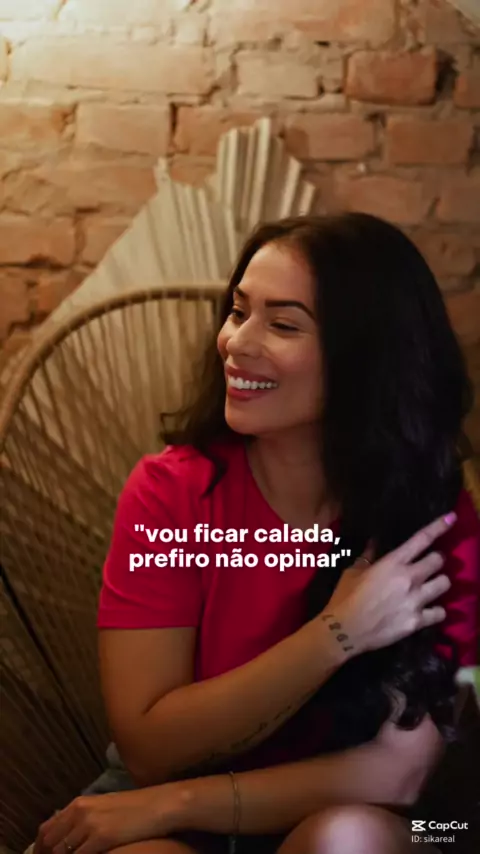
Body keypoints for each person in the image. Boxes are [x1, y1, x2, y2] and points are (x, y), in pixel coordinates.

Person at [34, 214, 480, 854]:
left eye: (284, 324)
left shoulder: (436, 516)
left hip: (388, 817)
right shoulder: (172, 493)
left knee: (346, 839)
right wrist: (336, 634)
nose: (236, 342)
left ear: (366, 357)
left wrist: (176, 803)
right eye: (239, 311)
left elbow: (398, 776)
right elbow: (149, 750)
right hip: (158, 802)